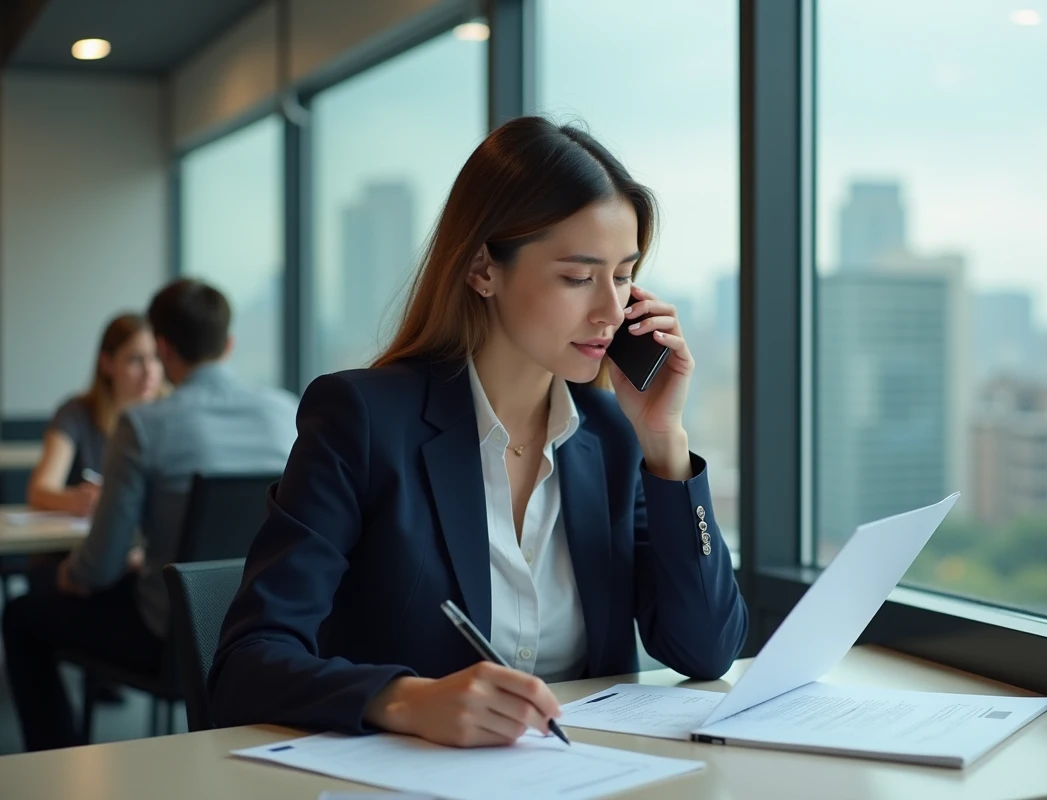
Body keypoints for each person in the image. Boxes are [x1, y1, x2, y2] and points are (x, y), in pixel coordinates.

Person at [208, 116, 748, 748]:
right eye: (578, 277)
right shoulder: (363, 420)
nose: (610, 310)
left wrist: (665, 443)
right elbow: (246, 664)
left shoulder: (611, 436)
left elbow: (706, 649)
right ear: (482, 268)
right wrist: (405, 700)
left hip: (582, 777)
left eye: (624, 275)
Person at [2, 278, 300, 751]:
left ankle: (56, 765)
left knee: (22, 615)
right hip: (274, 630)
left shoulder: (144, 425)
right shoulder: (287, 412)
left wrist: (68, 577)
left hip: (174, 638)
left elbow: (100, 567)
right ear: (229, 343)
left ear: (163, 348)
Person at [28, 313, 163, 517]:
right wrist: (76, 501)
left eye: (156, 358)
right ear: (107, 363)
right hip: (80, 535)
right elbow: (39, 491)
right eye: (136, 360)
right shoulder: (75, 414)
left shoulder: (170, 416)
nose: (149, 371)